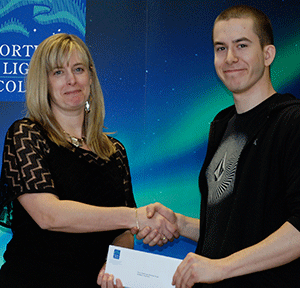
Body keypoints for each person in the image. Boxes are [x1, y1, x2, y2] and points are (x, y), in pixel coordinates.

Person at [136, 5, 300, 288]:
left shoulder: (292, 120)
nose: (230, 58)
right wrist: (181, 224)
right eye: (221, 48)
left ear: (268, 53)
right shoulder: (222, 124)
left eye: (242, 45)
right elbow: (234, 229)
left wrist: (222, 268)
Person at [0, 33, 179, 288]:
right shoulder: (26, 134)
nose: (72, 80)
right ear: (44, 82)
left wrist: (116, 263)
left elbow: (124, 231)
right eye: (58, 72)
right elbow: (48, 215)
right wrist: (133, 217)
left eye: (78, 69)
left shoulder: (115, 151)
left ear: (91, 76)